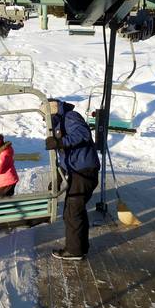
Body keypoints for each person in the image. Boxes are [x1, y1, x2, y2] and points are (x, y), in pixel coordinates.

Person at [44, 98, 100, 261]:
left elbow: (82, 134)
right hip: (78, 170)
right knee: (76, 210)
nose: (43, 119)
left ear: (52, 111)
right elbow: (65, 156)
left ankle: (74, 251)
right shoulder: (58, 124)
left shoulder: (70, 117)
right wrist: (58, 177)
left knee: (72, 211)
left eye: (45, 115)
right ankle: (80, 247)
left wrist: (59, 141)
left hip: (83, 171)